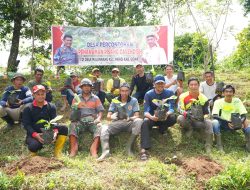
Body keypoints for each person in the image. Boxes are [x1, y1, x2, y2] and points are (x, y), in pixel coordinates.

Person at [97, 83, 143, 161]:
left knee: (139, 121)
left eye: (126, 91)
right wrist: (111, 116)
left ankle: (129, 147)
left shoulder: (134, 100)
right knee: (104, 127)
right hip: (116, 123)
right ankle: (105, 152)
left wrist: (130, 118)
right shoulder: (114, 100)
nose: (124, 93)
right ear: (120, 91)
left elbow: (137, 115)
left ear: (129, 91)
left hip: (129, 123)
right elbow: (108, 116)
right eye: (122, 91)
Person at [22, 85, 68, 157]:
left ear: (45, 94)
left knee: (64, 128)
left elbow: (54, 121)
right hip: (34, 133)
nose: (41, 96)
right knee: (33, 146)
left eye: (42, 94)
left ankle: (57, 152)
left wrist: (55, 132)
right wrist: (35, 135)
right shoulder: (28, 108)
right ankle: (34, 155)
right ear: (33, 95)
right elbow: (27, 125)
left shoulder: (51, 106)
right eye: (38, 94)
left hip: (48, 132)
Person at [140, 75, 177, 160]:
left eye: (162, 83)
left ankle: (162, 129)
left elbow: (172, 107)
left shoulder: (169, 93)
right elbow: (146, 111)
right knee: (145, 121)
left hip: (164, 117)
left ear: (164, 84)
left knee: (173, 117)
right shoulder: (149, 94)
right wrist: (152, 117)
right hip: (153, 118)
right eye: (158, 83)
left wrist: (167, 113)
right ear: (154, 84)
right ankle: (144, 148)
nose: (160, 85)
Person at [69, 78, 104, 158]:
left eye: (88, 86)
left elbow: (100, 111)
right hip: (80, 120)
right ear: (81, 87)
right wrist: (77, 106)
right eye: (84, 86)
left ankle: (93, 149)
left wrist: (98, 119)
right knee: (72, 125)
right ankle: (73, 149)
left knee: (99, 127)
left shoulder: (95, 98)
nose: (86, 87)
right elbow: (72, 112)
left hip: (92, 120)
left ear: (91, 87)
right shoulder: (76, 98)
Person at [177, 77, 213, 153]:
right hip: (188, 118)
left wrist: (203, 117)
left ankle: (208, 145)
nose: (193, 87)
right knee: (180, 118)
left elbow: (208, 112)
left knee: (209, 123)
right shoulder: (183, 96)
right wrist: (186, 114)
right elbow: (179, 109)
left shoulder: (204, 98)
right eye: (191, 85)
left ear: (198, 85)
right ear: (188, 86)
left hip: (200, 119)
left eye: (195, 85)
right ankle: (190, 129)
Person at [212, 85, 250, 152]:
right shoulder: (218, 102)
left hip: (235, 124)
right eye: (226, 92)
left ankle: (248, 145)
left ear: (233, 93)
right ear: (223, 93)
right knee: (214, 122)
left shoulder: (237, 101)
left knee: (246, 121)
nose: (228, 93)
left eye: (230, 92)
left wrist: (240, 122)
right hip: (223, 123)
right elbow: (215, 115)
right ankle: (218, 144)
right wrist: (227, 122)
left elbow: (243, 115)